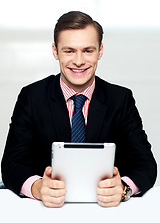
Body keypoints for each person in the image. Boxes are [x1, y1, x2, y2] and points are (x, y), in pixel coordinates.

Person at [1, 11, 157, 208]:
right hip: (46, 211)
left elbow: (146, 164)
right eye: (69, 51)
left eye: (88, 51)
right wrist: (37, 188)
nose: (78, 61)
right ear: (55, 51)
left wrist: (124, 188)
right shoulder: (32, 97)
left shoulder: (121, 99)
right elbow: (11, 164)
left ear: (100, 51)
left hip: (106, 211)